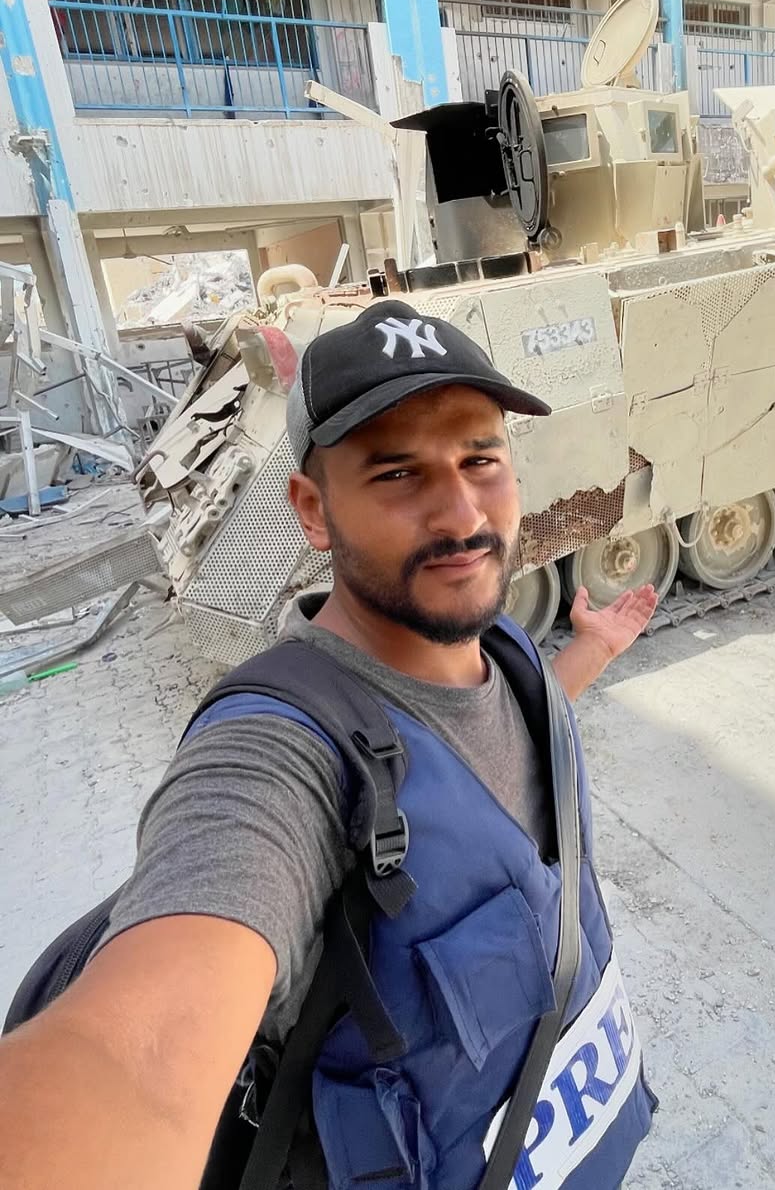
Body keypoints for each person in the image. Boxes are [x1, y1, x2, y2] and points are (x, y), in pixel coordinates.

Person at [0, 299, 658, 1190]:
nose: (461, 514)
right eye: (396, 475)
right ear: (313, 511)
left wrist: (584, 656)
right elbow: (134, 1062)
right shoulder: (278, 759)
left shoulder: (501, 654)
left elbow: (486, 759)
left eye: (481, 459)